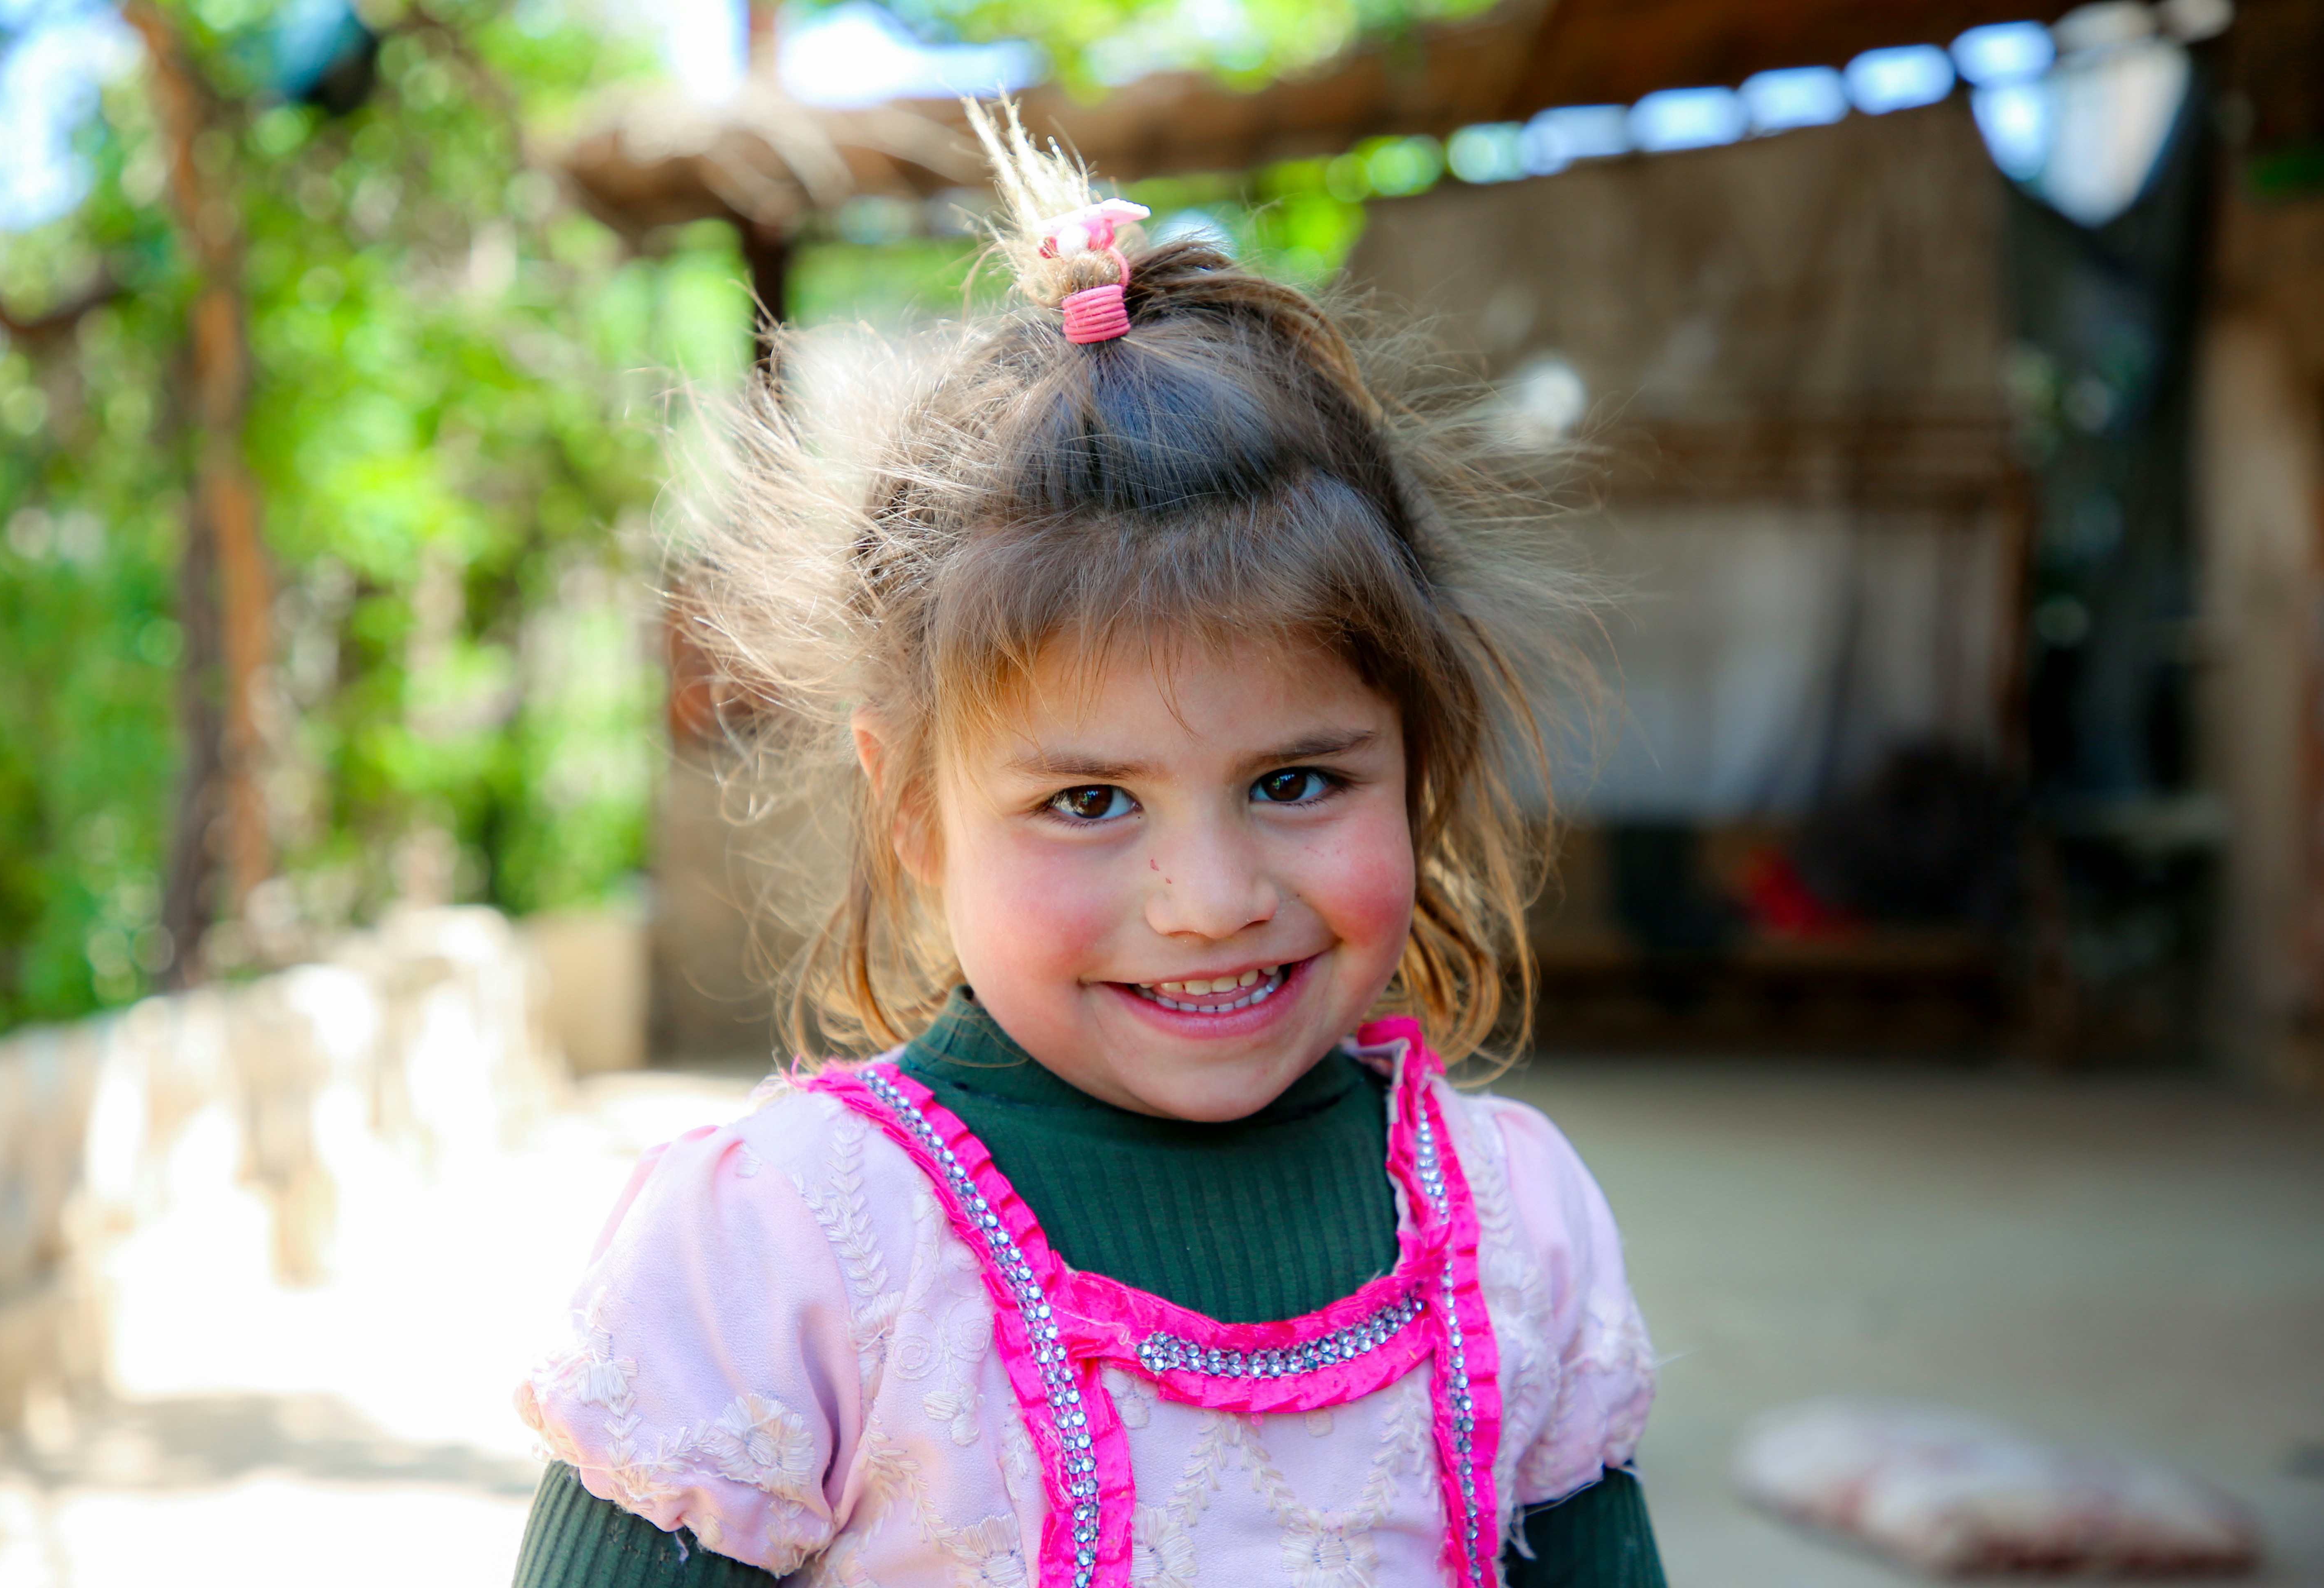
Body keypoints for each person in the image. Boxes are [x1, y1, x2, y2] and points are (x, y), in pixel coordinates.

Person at [512, 101, 1663, 1588]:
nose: (1211, 902)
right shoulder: (785, 1255)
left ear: (1418, 764)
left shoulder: (1519, 1232)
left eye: (1297, 781)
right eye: (1090, 802)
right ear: (913, 811)